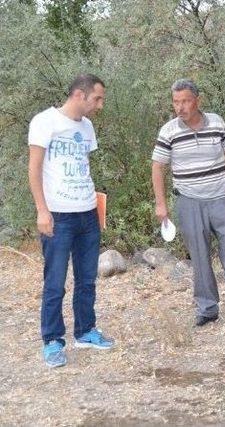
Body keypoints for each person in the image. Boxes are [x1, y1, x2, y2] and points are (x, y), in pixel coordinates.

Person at [151, 79, 225, 326]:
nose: (181, 107)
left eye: (186, 101)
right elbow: (158, 167)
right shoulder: (169, 131)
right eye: (176, 102)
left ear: (197, 101)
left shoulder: (217, 122)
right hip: (189, 201)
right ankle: (207, 309)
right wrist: (161, 204)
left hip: (222, 198)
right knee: (199, 256)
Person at [28, 74, 114, 368]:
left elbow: (82, 166)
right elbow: (35, 169)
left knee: (87, 278)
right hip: (58, 215)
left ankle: (85, 331)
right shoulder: (44, 121)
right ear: (80, 94)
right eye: (97, 99)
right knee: (55, 282)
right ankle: (52, 340)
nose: (99, 105)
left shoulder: (87, 127)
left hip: (87, 212)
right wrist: (42, 210)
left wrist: (95, 205)